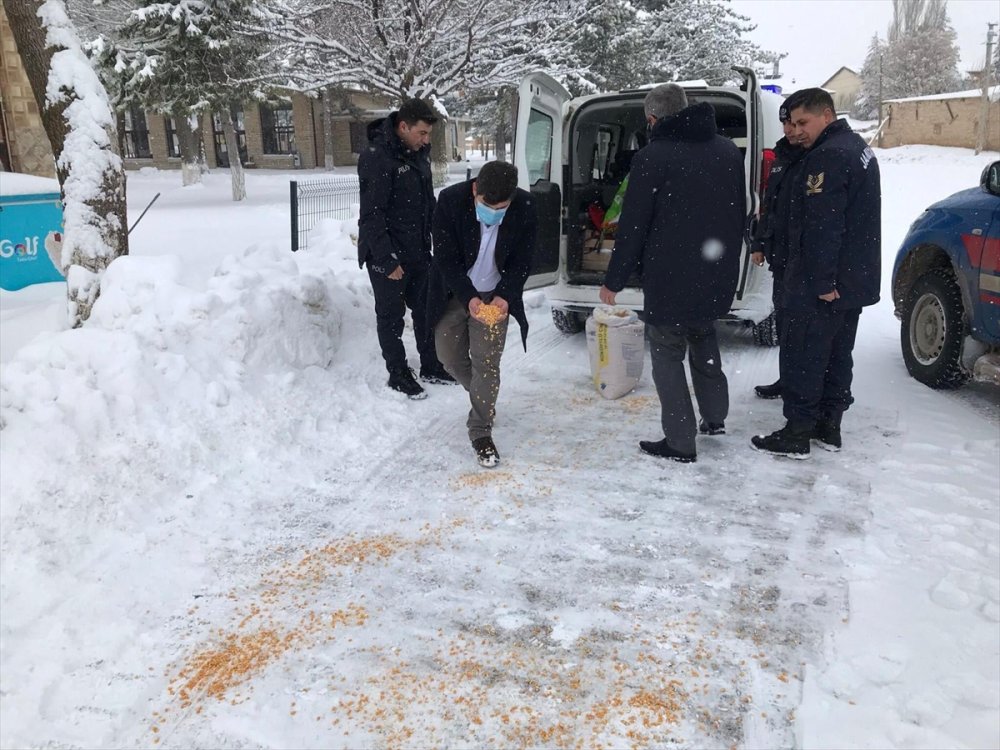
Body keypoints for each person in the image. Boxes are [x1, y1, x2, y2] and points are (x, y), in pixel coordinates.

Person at [599, 83, 746, 463]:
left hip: (670, 275)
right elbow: (737, 211)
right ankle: (714, 418)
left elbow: (633, 225)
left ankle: (680, 441)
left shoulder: (653, 157)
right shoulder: (728, 151)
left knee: (666, 353)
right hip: (715, 270)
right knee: (703, 337)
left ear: (653, 118)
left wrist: (614, 280)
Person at [751, 88, 881, 458]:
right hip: (850, 278)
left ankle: (797, 432)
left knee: (804, 356)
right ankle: (829, 425)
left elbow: (824, 227)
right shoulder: (853, 147)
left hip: (822, 282)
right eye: (791, 123)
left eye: (803, 122)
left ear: (827, 114)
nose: (796, 130)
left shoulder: (828, 157)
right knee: (837, 353)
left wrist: (823, 282)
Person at [427, 161, 537, 468]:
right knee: (448, 358)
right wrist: (469, 298)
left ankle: (480, 430)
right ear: (476, 189)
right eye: (488, 204)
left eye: (501, 206)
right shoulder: (450, 200)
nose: (494, 210)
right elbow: (446, 259)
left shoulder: (526, 206)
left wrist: (505, 295)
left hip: (495, 296)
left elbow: (523, 260)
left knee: (487, 363)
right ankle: (483, 396)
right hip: (455, 292)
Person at [357, 98, 455, 400]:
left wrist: (440, 237)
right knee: (391, 316)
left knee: (427, 309)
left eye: (428, 135)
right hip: (386, 254)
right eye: (422, 133)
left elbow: (427, 202)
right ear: (403, 126)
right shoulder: (377, 158)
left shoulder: (417, 154)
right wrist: (387, 260)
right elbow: (372, 214)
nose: (426, 140)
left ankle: (431, 365)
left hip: (417, 250)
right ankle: (398, 373)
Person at [751, 104, 806, 400]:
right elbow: (768, 206)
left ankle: (802, 388)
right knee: (785, 324)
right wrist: (759, 244)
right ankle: (787, 380)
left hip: (802, 260)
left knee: (801, 329)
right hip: (781, 259)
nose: (791, 130)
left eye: (796, 124)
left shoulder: (814, 158)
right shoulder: (781, 158)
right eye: (786, 124)